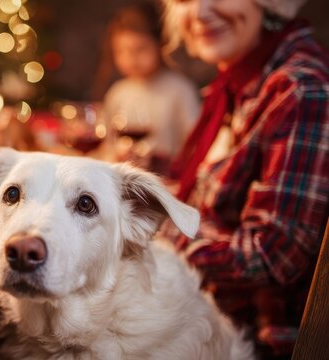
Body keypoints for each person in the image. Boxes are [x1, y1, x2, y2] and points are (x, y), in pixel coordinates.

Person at [160, 0, 328, 357]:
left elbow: (272, 256)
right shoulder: (237, 82)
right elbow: (207, 191)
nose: (200, 12)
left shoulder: (299, 88)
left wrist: (164, 235)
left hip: (253, 338)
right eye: (185, 0)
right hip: (203, 309)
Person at [98, 2, 200, 172]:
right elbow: (107, 145)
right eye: (122, 51)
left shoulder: (180, 90)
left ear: (160, 45)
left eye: (140, 49)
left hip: (168, 179)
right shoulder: (118, 92)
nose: (131, 58)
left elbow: (195, 144)